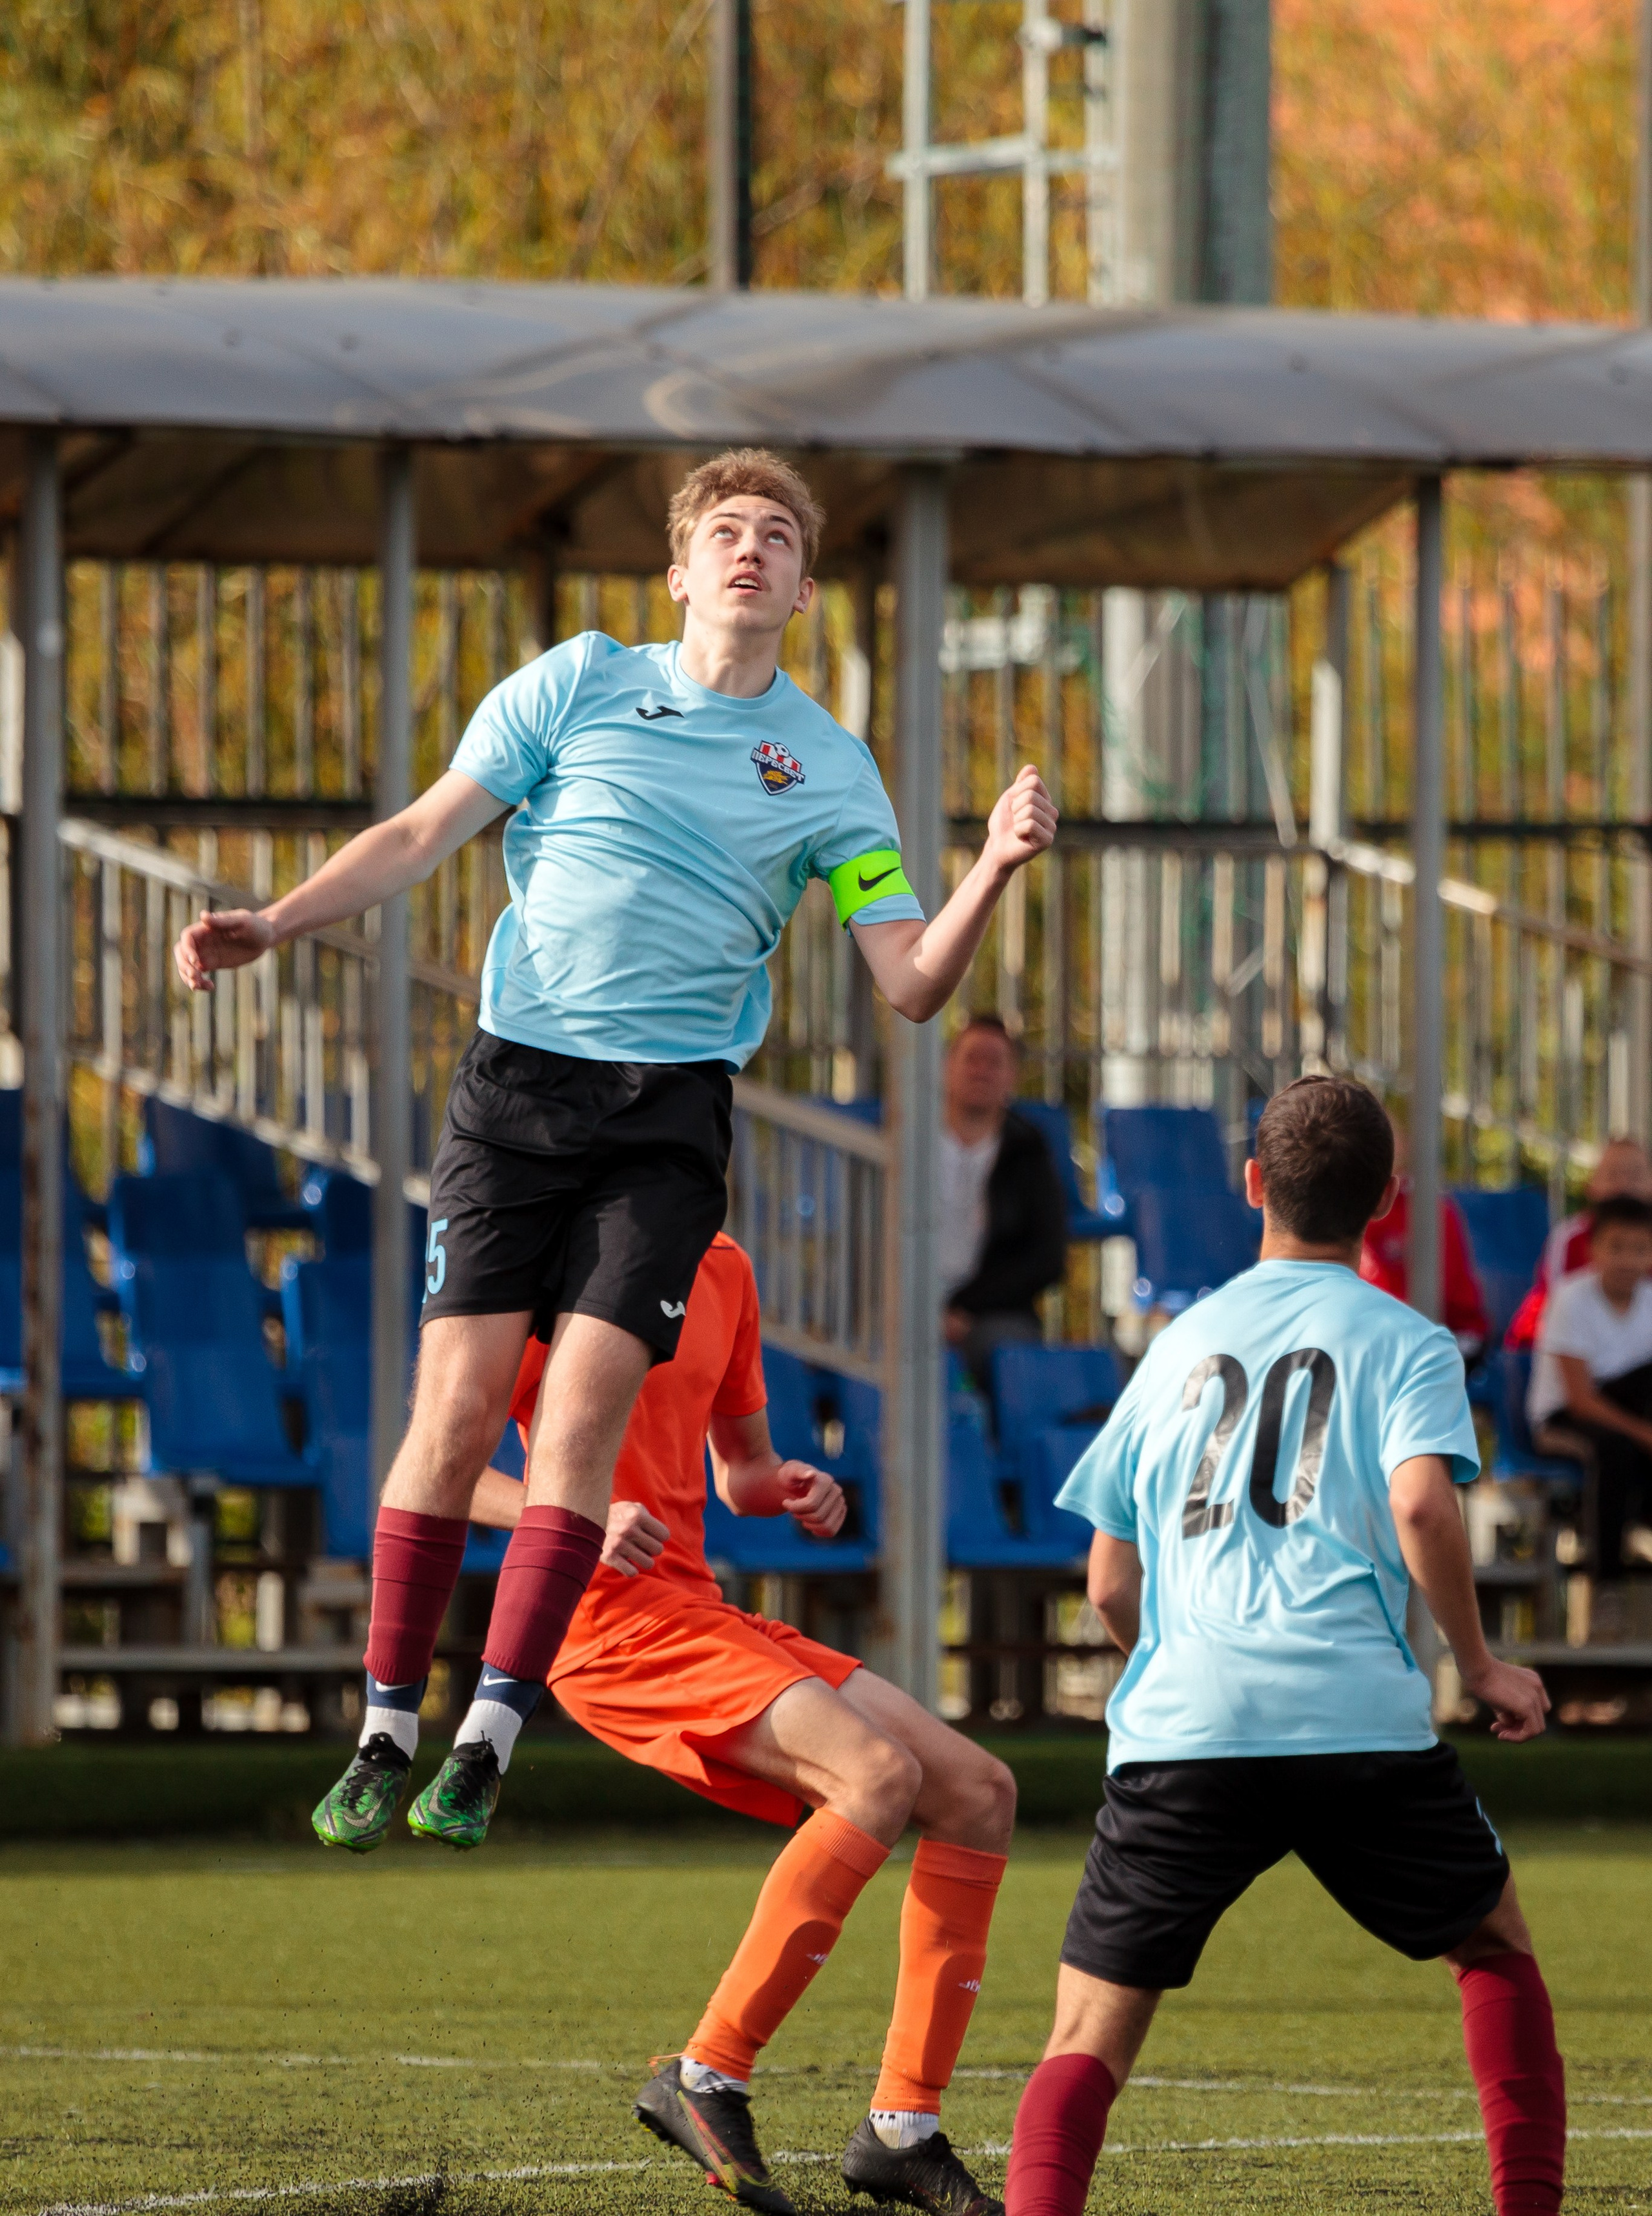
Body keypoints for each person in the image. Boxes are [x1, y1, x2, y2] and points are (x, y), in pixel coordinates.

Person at [173, 447, 1056, 1851]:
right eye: (726, 529)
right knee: (455, 1412)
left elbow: (908, 983)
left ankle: (485, 1740)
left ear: (806, 590)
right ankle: (386, 1727)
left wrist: (992, 867)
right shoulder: (579, 680)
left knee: (582, 1427)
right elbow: (419, 831)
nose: (751, 547)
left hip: (668, 1118)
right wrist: (275, 921)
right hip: (517, 1090)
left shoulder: (830, 766)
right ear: (680, 571)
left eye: (778, 534)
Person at [1002, 1075, 1562, 2216]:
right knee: (1494, 1949)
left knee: (1087, 2033)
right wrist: (1479, 1664)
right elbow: (1423, 1503)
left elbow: (1109, 1580)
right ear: (1388, 1199)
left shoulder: (1176, 1345)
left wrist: (1176, 1667)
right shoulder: (1407, 1342)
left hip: (1187, 1725)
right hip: (1356, 1720)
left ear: (1253, 1183)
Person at [467, 1231, 1015, 2216]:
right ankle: (707, 2072)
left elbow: (742, 1469)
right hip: (602, 1624)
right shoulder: (552, 1256)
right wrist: (574, 1510)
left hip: (695, 1607)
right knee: (876, 1775)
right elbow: (448, 1466)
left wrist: (790, 1484)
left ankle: (903, 2129)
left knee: (979, 1792)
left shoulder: (724, 1265)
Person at [1527, 1193, 1652, 1582]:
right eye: (1616, 1247)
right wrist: (1644, 1434)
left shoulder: (1649, 1301)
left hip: (1627, 1410)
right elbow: (1580, 1401)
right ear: (1593, 1250)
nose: (1627, 1260)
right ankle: (1606, 1582)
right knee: (1614, 1450)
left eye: (1640, 1249)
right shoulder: (1570, 1300)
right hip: (1563, 1418)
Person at [940, 1016, 1067, 1387]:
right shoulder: (902, 1142)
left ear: (1012, 1076)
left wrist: (966, 1308)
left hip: (991, 1313)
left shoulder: (1029, 1149)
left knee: (1015, 1361)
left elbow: (1046, 1257)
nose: (981, 1071)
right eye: (972, 1058)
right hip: (899, 1305)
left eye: (994, 1062)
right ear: (947, 1067)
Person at [1358, 1114, 1490, 1360]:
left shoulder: (1432, 1209)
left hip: (1449, 1331)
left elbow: (1443, 1291)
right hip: (1382, 1334)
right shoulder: (1348, 1207)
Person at [1507, 1136, 1652, 1351]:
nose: (1624, 1185)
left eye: (1635, 1175)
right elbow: (1554, 1311)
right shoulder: (1569, 1237)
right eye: (1613, 1175)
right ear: (1591, 1186)